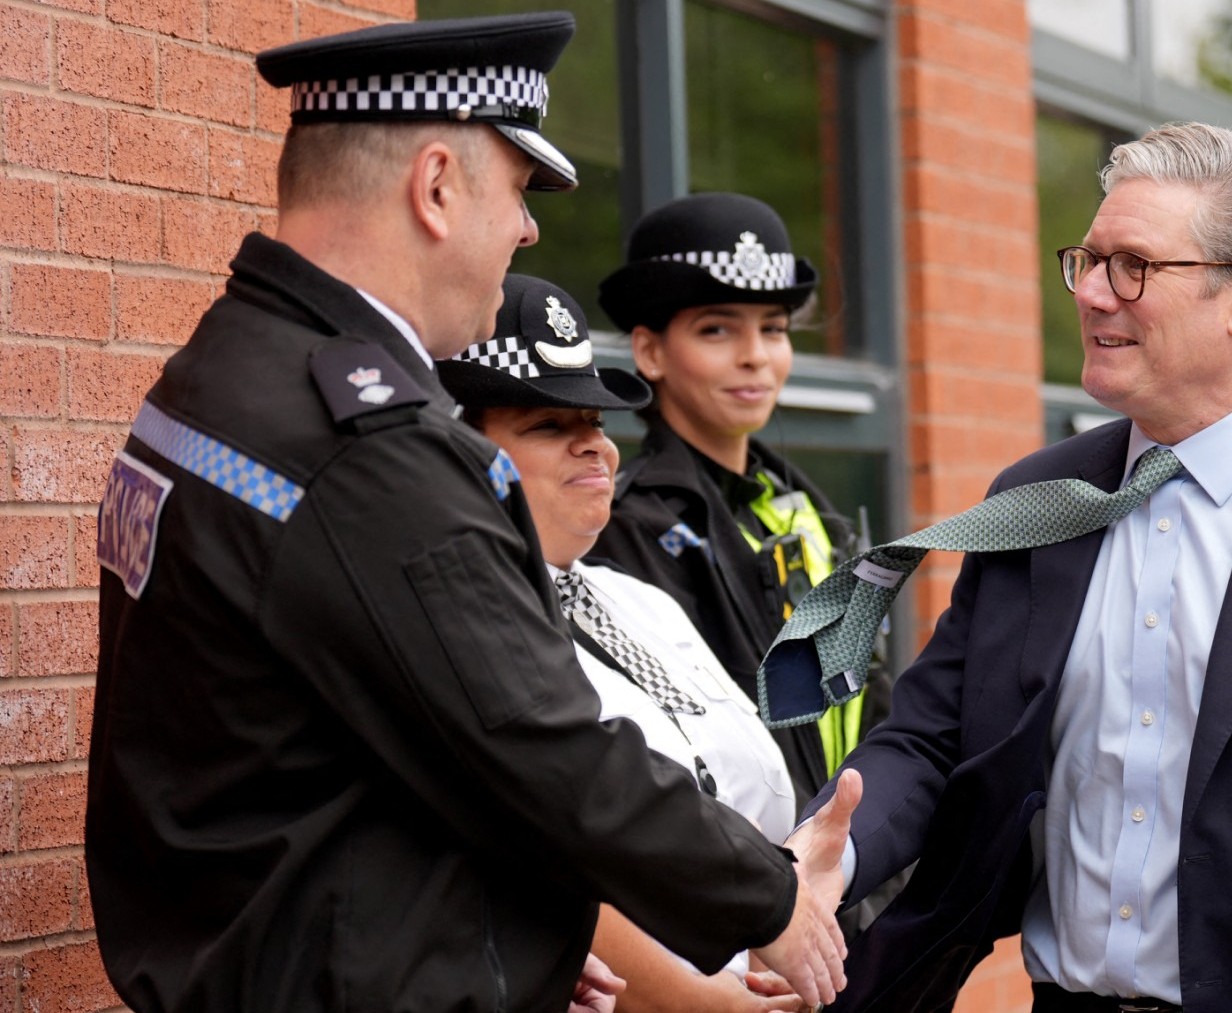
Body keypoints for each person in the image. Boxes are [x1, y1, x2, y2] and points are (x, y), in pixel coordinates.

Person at [85, 14, 848, 1013]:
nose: (528, 231)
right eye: (520, 190)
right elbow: (544, 744)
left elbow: (340, 727)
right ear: (437, 185)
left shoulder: (227, 369)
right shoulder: (365, 448)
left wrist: (512, 915)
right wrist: (774, 898)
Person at [782, 121, 1232, 1012]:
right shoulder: (1037, 498)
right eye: (1087, 260)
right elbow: (932, 737)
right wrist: (831, 848)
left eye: (1132, 265)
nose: (1094, 293)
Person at [441, 273, 807, 1013]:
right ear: (459, 451)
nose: (595, 449)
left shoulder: (640, 599)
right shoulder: (455, 620)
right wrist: (700, 999)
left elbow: (750, 793)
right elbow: (543, 858)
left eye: (598, 422)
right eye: (548, 426)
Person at [588, 192, 890, 806]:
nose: (756, 355)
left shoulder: (806, 508)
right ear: (650, 352)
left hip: (859, 870)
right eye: (717, 329)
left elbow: (870, 705)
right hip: (757, 877)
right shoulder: (627, 527)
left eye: (773, 329)